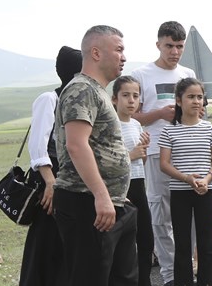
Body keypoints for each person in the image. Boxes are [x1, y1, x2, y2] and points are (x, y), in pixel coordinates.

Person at [53, 25, 137, 286]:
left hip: (109, 204)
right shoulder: (82, 89)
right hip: (86, 203)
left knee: (121, 278)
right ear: (96, 53)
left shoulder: (97, 90)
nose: (124, 57)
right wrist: (101, 195)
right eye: (119, 50)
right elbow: (76, 146)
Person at [130, 21, 196, 286]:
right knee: (160, 213)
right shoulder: (141, 75)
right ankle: (169, 274)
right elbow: (131, 115)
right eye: (169, 45)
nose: (175, 52)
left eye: (179, 46)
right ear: (158, 44)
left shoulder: (188, 73)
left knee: (189, 213)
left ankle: (186, 267)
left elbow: (200, 110)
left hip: (187, 151)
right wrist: (159, 114)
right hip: (156, 151)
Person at [19, 45, 82, 286]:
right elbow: (38, 146)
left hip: (71, 177)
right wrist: (50, 182)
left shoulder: (79, 100)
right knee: (47, 239)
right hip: (52, 178)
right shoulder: (50, 99)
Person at [159, 77, 212, 286]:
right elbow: (164, 164)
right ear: (179, 100)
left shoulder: (210, 129)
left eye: (199, 97)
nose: (196, 101)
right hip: (180, 193)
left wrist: (206, 179)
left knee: (205, 243)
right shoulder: (169, 130)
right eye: (190, 97)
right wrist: (187, 178)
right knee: (183, 244)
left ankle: (207, 282)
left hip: (205, 191)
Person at [113, 76, 153, 286]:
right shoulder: (111, 124)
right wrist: (132, 155)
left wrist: (143, 151)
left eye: (135, 96)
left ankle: (144, 281)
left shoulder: (137, 124)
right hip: (120, 188)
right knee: (122, 244)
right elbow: (109, 161)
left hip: (139, 184)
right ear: (114, 99)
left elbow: (141, 161)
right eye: (125, 95)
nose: (131, 100)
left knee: (146, 238)